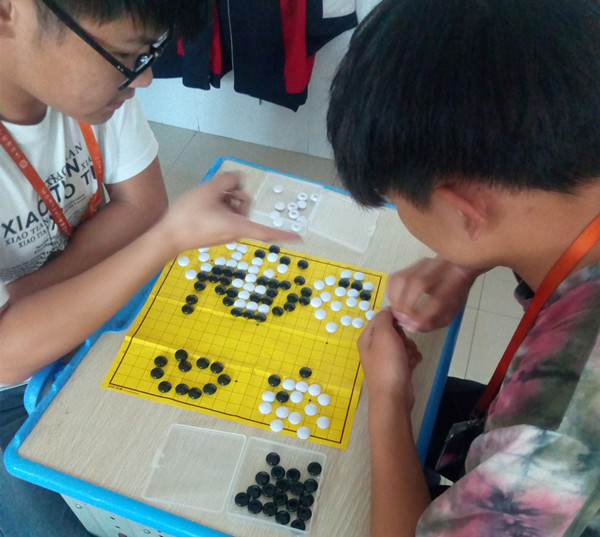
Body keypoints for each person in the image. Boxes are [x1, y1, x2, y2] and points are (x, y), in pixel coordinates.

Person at [0, 1, 298, 535]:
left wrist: (28, 297)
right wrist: (166, 240)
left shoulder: (97, 92)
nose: (144, 80)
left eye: (147, 55)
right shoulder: (90, 86)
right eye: (125, 56)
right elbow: (6, 358)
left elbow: (143, 205)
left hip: (95, 323)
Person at [327, 0, 600, 535]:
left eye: (397, 201)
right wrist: (464, 261)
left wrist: (388, 397)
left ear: (463, 210)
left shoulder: (556, 432)